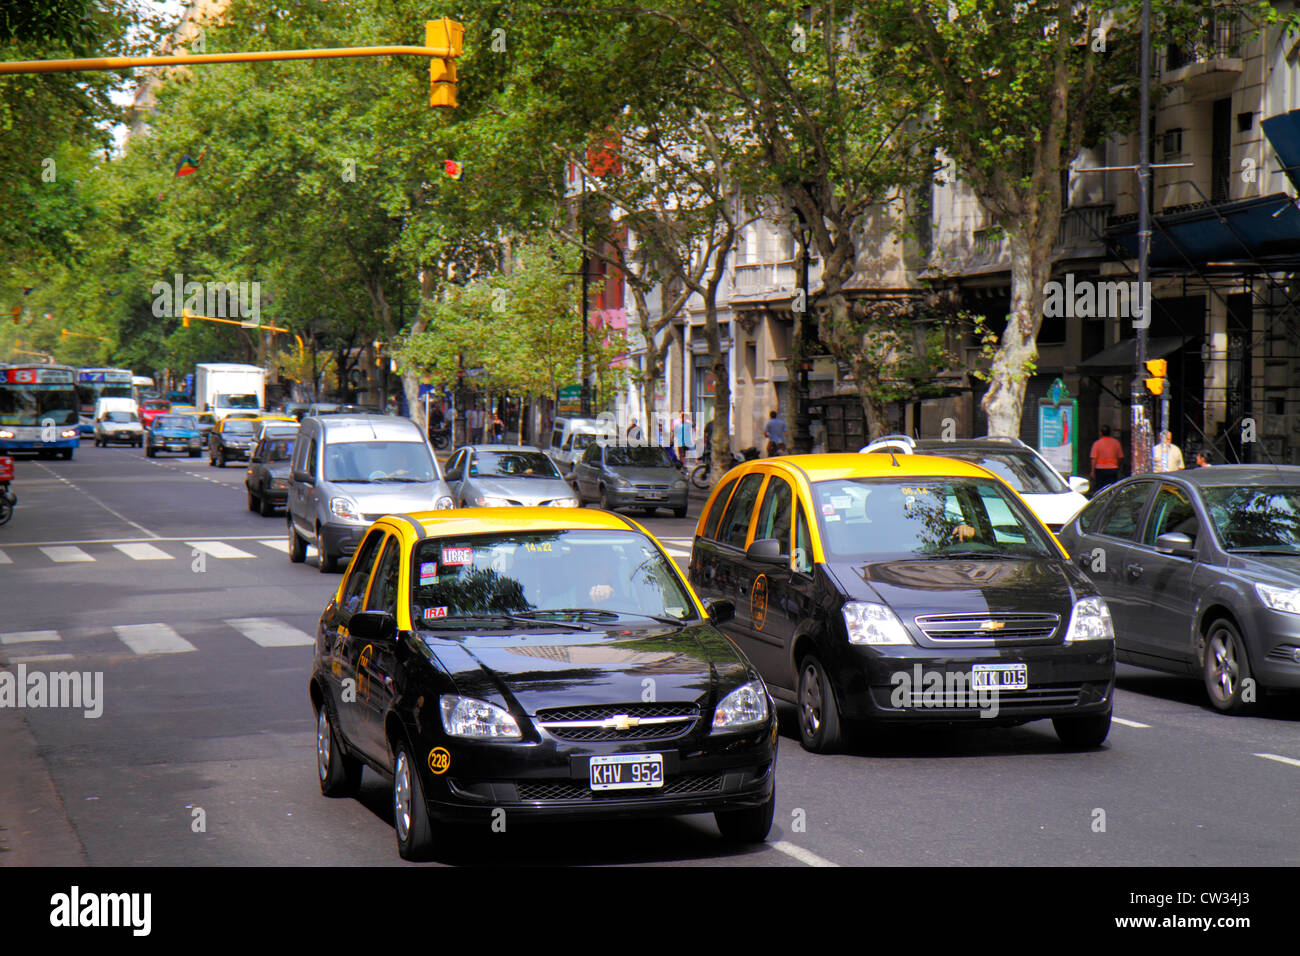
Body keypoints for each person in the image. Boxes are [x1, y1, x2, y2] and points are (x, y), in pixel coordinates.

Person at [1089, 424, 1123, 493]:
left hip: (1100, 470)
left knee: (1100, 489)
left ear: (1101, 433)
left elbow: (1094, 458)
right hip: (1113, 470)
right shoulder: (1116, 443)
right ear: (1110, 432)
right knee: (1112, 488)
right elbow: (1120, 457)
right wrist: (1117, 466)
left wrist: (1092, 471)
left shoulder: (1097, 443)